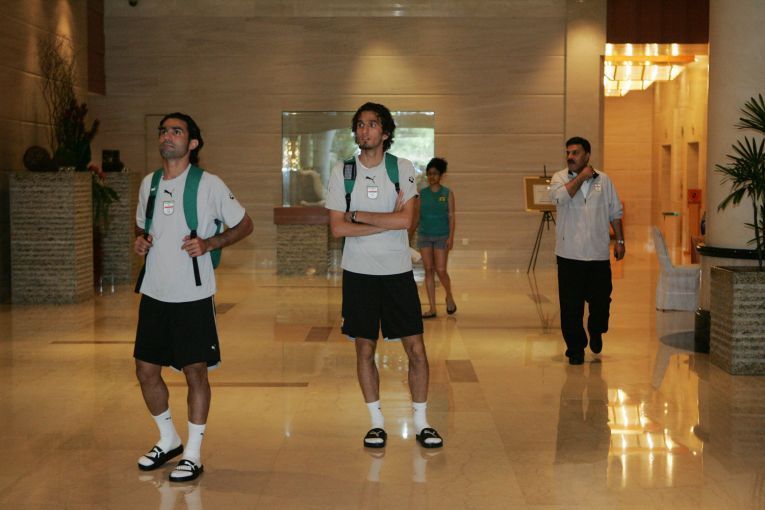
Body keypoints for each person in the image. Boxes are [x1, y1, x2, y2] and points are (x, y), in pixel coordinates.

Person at [133, 112, 253, 481]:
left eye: (176, 131)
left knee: (195, 371)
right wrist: (141, 241)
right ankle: (168, 438)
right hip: (154, 292)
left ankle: (194, 453)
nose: (167, 136)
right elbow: (144, 226)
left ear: (193, 143)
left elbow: (244, 224)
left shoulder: (209, 184)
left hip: (192, 293)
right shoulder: (149, 184)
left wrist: (211, 242)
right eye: (163, 131)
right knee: (145, 370)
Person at [326, 102, 443, 449]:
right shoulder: (342, 172)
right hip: (358, 274)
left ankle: (421, 422)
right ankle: (376, 423)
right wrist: (385, 221)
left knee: (416, 349)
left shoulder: (401, 168)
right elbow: (337, 229)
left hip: (397, 272)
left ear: (386, 132)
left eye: (372, 124)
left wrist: (358, 215)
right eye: (360, 125)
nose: (365, 130)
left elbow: (406, 220)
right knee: (365, 349)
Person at [549, 136, 624, 365]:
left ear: (587, 155)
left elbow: (615, 212)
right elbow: (560, 198)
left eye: (575, 153)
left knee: (601, 302)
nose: (570, 157)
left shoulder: (605, 180)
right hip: (569, 254)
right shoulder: (559, 178)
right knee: (570, 306)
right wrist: (581, 177)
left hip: (598, 254)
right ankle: (575, 349)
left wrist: (620, 241)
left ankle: (596, 329)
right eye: (568, 153)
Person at [411, 157, 457, 318]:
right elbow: (416, 217)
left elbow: (451, 217)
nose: (432, 177)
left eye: (435, 173)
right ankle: (432, 308)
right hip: (424, 236)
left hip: (441, 236)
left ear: (441, 175)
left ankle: (449, 296)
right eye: (429, 174)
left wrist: (451, 237)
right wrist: (409, 235)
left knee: (441, 270)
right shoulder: (422, 195)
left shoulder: (447, 194)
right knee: (428, 270)